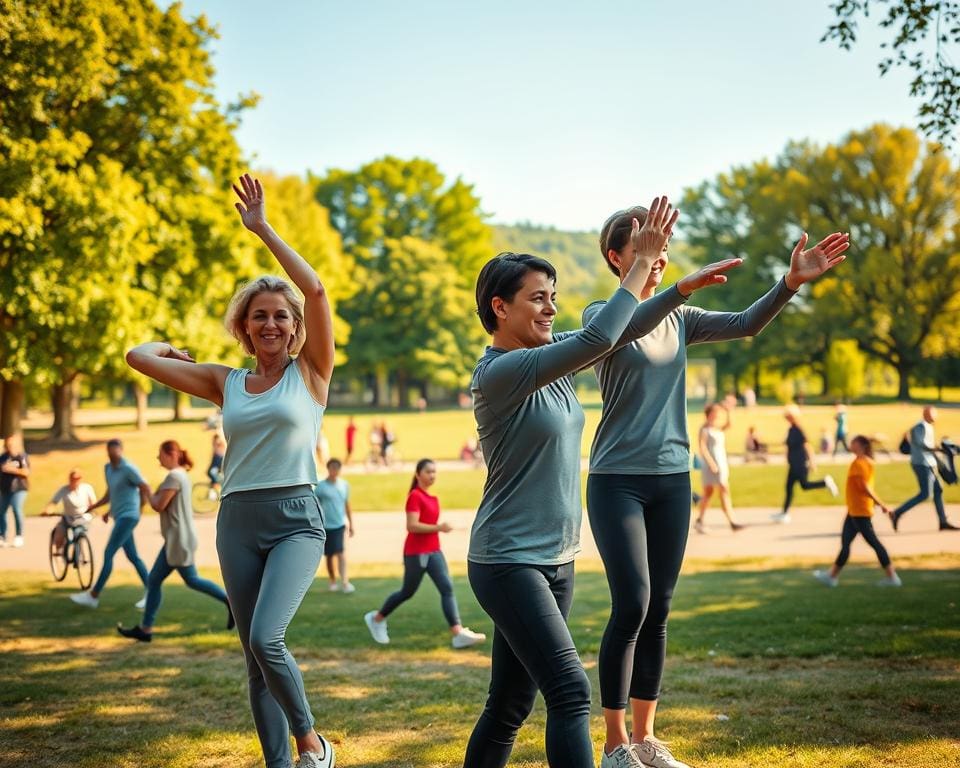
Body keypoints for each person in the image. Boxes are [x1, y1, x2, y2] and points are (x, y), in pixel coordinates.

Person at [464, 197, 731, 768]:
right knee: (568, 692)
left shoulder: (549, 361)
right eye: (537, 299)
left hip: (555, 559)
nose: (550, 309)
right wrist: (645, 264)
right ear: (499, 307)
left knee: (510, 703)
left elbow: (616, 334)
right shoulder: (503, 373)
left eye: (553, 298)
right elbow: (598, 337)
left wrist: (674, 288)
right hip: (507, 559)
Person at [585, 206, 849, 768]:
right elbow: (625, 326)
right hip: (616, 482)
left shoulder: (681, 318)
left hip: (672, 480)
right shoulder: (601, 314)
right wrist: (678, 285)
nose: (657, 253)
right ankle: (613, 745)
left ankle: (647, 739)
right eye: (645, 245)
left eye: (661, 243)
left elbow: (747, 323)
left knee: (658, 608)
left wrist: (789, 284)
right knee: (631, 602)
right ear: (617, 258)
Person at [124, 174, 336, 768]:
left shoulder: (312, 373)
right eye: (258, 316)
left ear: (294, 328)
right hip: (237, 520)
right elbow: (136, 358)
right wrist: (167, 348)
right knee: (253, 655)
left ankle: (311, 742)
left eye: (280, 317)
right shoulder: (227, 383)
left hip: (297, 517)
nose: (271, 324)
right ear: (244, 327)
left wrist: (262, 228)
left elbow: (315, 291)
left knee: (268, 638)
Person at [117, 440, 232, 642]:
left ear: (171, 454)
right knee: (156, 580)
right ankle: (145, 629)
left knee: (189, 579)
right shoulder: (181, 475)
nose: (157, 458)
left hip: (178, 540)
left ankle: (230, 601)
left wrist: (146, 490)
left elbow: (158, 505)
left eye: (160, 454)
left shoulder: (174, 476)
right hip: (177, 538)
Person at [364, 458, 484, 648]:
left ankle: (458, 633)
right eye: (428, 471)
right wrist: (439, 527)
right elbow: (411, 526)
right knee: (407, 591)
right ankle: (376, 618)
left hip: (434, 550)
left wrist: (438, 529)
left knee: (447, 588)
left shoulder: (432, 498)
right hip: (416, 552)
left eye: (434, 472)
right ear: (418, 474)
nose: (432, 475)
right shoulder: (415, 496)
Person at [70, 439, 152, 608]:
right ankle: (152, 592)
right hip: (119, 515)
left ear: (121, 451)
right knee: (133, 556)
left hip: (128, 516)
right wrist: (100, 508)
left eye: (116, 452)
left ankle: (93, 596)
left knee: (108, 553)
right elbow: (111, 493)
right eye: (110, 453)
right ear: (107, 452)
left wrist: (140, 510)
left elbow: (145, 487)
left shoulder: (129, 469)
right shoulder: (108, 469)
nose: (113, 456)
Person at [814, 435, 901, 587]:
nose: (850, 444)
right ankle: (831, 577)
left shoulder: (859, 464)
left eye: (853, 442)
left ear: (860, 445)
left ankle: (892, 577)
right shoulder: (864, 462)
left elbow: (865, 487)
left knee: (874, 544)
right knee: (846, 544)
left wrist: (881, 504)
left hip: (860, 511)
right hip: (854, 510)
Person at [891, 405, 959, 531]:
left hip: (930, 463)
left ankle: (943, 521)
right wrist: (938, 448)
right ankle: (897, 513)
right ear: (926, 414)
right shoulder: (920, 426)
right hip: (921, 463)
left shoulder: (928, 426)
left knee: (938, 490)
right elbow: (921, 444)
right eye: (933, 413)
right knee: (925, 494)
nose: (935, 416)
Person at [771, 405, 840, 524]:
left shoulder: (798, 429)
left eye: (788, 416)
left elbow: (807, 446)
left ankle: (825, 482)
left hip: (800, 463)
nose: (786, 418)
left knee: (804, 485)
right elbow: (788, 444)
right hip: (793, 463)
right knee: (791, 487)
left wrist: (813, 462)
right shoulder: (791, 429)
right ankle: (784, 513)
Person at [694, 403, 743, 533]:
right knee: (714, 491)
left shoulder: (718, 428)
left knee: (718, 491)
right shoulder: (704, 429)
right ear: (709, 414)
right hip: (711, 465)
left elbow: (730, 424)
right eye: (715, 412)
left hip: (721, 462)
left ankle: (703, 520)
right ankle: (731, 520)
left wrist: (729, 410)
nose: (717, 415)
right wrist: (711, 463)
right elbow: (702, 448)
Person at [315, 458, 354, 593]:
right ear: (328, 469)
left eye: (337, 468)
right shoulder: (321, 487)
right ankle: (332, 580)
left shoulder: (344, 485)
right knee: (330, 555)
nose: (334, 471)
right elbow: (315, 505)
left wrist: (351, 523)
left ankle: (344, 582)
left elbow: (347, 505)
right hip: (326, 525)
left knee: (341, 553)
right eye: (332, 468)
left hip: (340, 524)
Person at [41, 468, 97, 553]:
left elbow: (93, 502)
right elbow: (53, 502)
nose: (75, 481)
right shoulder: (64, 490)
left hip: (83, 517)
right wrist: (48, 510)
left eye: (77, 478)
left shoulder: (86, 488)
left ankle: (80, 552)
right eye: (73, 479)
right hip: (68, 517)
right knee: (59, 532)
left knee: (80, 533)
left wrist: (93, 510)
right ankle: (59, 550)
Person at [0, 434, 30, 548]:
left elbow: (26, 472)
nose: (10, 446)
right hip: (5, 488)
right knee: (1, 512)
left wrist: (12, 469)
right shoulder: (3, 457)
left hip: (19, 488)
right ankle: (2, 535)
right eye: (8, 444)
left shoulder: (21, 457)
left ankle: (19, 536)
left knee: (16, 509)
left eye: (12, 443)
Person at [207, 430, 226, 498]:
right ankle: (212, 493)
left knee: (213, 475)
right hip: (217, 458)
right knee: (212, 475)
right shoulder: (217, 440)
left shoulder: (219, 441)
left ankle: (213, 493)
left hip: (218, 459)